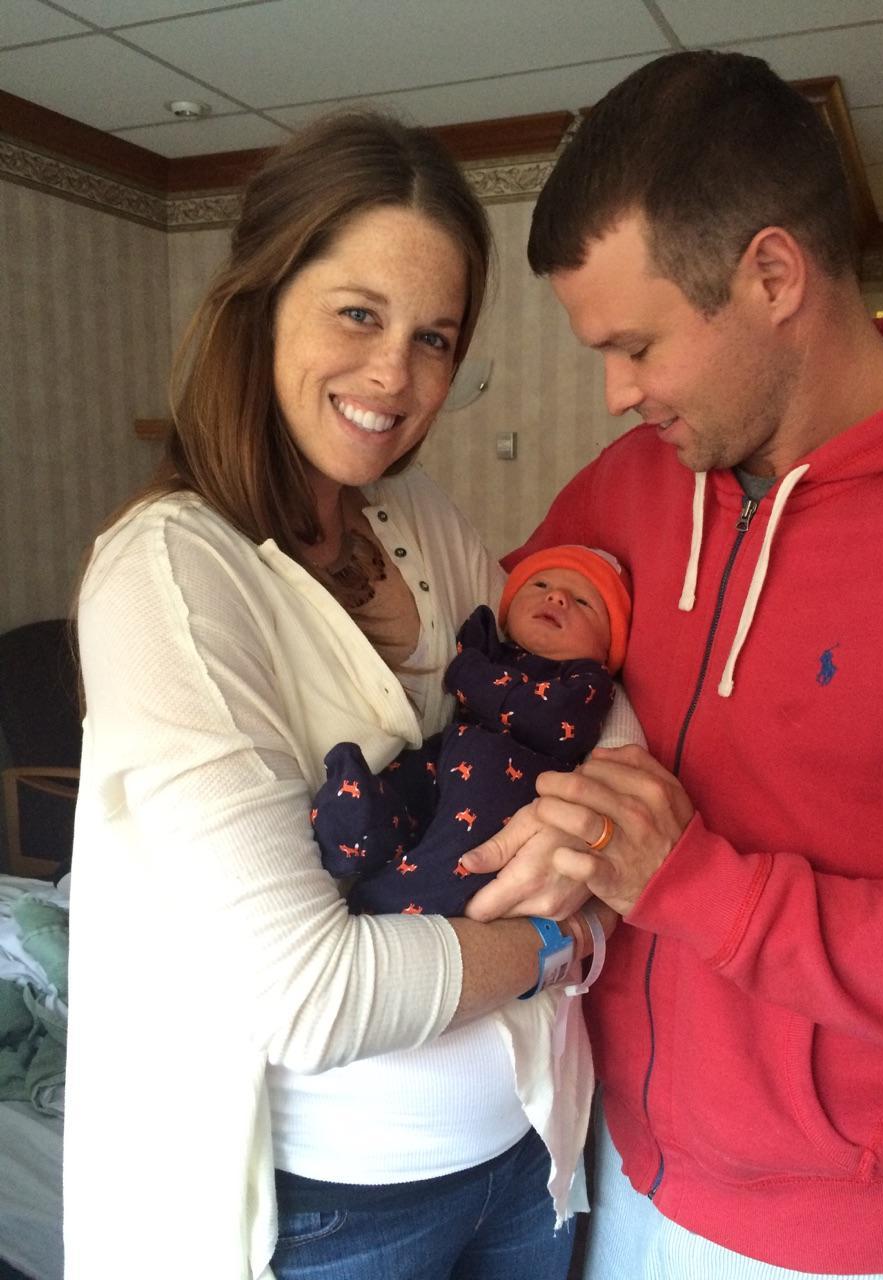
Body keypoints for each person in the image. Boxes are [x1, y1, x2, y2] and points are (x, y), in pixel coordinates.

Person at [63, 112, 613, 1280]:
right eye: (359, 313)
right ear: (262, 301)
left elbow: (569, 731)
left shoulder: (423, 521)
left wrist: (594, 838)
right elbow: (308, 995)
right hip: (337, 1216)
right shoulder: (171, 576)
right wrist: (551, 937)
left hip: (526, 1156)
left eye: (434, 336)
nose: (394, 375)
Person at [461, 50, 883, 1280]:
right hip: (608, 1167)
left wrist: (705, 890)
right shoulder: (630, 485)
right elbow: (499, 672)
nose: (616, 393)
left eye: (636, 345)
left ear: (773, 274)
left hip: (844, 1228)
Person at [315, 545, 643, 915]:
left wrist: (470, 675)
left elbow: (551, 721)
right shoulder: (489, 646)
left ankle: (388, 902)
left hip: (512, 778)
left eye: (584, 602)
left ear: (606, 650)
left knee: (458, 848)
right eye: (540, 585)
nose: (557, 597)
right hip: (449, 752)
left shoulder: (588, 680)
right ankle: (354, 826)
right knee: (403, 785)